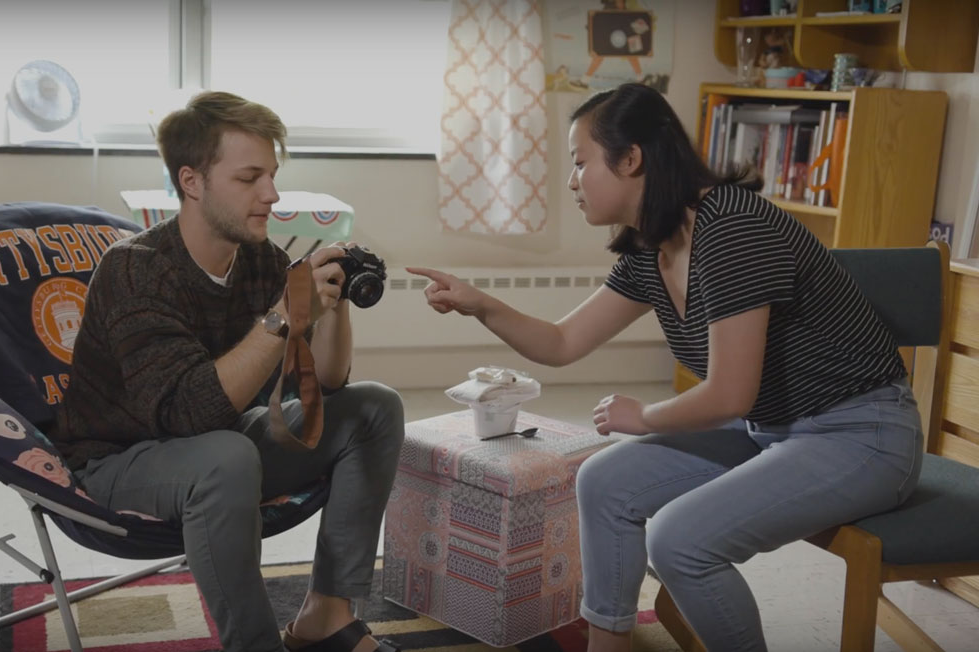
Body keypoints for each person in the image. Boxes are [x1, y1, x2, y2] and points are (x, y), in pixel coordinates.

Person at [408, 83, 920, 652]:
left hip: (863, 434)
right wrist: (482, 304)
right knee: (602, 480)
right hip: (772, 429)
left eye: (580, 163)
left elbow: (729, 395)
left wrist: (644, 415)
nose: (572, 181)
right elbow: (561, 342)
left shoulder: (731, 226)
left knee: (680, 541)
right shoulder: (651, 248)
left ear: (631, 158)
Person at [50, 91, 405, 652]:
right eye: (250, 178)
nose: (272, 193)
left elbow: (329, 384)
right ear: (192, 182)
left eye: (272, 175)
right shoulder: (134, 269)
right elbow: (190, 413)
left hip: (221, 442)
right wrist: (285, 315)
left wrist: (330, 311)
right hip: (119, 457)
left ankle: (326, 617)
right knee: (227, 455)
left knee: (374, 407)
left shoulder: (260, 258)